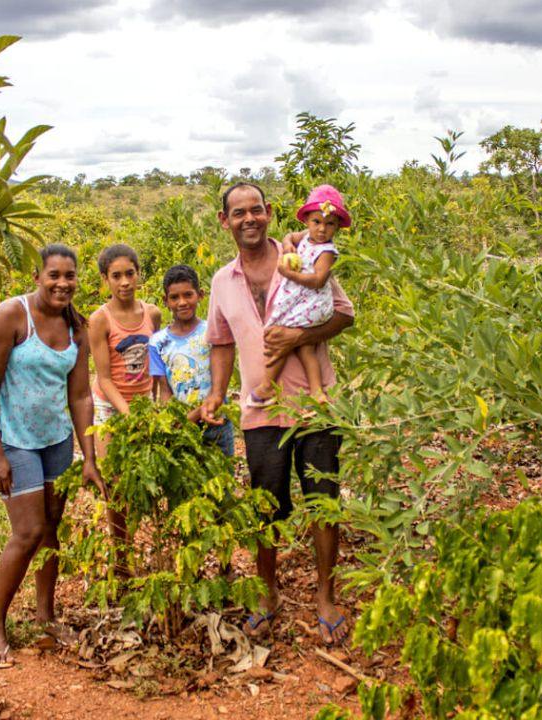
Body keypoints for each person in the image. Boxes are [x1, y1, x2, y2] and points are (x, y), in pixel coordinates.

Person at [199, 182, 355, 645]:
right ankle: (268, 595)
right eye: (238, 213)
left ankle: (326, 595)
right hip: (260, 409)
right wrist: (216, 394)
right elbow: (222, 342)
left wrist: (298, 338)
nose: (249, 219)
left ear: (269, 213)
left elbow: (344, 314)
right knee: (266, 505)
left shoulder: (304, 253)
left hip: (313, 402)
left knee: (323, 500)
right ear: (224, 222)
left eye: (256, 210)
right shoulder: (222, 282)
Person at [0, 243, 104, 669]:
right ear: (37, 276)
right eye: (54, 275)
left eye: (70, 276)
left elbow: (81, 394)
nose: (62, 284)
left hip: (56, 441)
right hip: (15, 440)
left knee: (51, 530)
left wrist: (88, 456)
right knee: (28, 532)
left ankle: (46, 616)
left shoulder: (76, 327)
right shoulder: (11, 316)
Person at [88, 244, 162, 576]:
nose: (124, 282)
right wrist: (127, 414)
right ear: (105, 279)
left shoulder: (153, 314)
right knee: (115, 484)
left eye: (129, 274)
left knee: (142, 480)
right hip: (110, 407)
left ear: (138, 275)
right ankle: (120, 560)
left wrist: (156, 406)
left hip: (143, 404)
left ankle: (136, 544)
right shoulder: (99, 320)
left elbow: (157, 365)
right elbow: (104, 378)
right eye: (116, 276)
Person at [246, 184, 346, 408]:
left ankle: (266, 385)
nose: (322, 229)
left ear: (337, 227)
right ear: (307, 221)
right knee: (305, 347)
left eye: (329, 224)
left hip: (313, 303)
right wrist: (288, 246)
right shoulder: (307, 237)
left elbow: (318, 280)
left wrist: (289, 274)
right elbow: (289, 236)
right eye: (316, 222)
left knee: (278, 334)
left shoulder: (326, 251)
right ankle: (317, 391)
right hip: (302, 301)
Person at [147, 264, 235, 457]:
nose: (182, 302)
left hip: (216, 421)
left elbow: (220, 382)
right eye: (174, 297)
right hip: (182, 427)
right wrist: (170, 420)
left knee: (221, 480)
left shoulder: (213, 332)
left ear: (200, 295)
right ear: (165, 301)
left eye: (188, 295)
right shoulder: (157, 343)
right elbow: (165, 389)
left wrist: (193, 416)